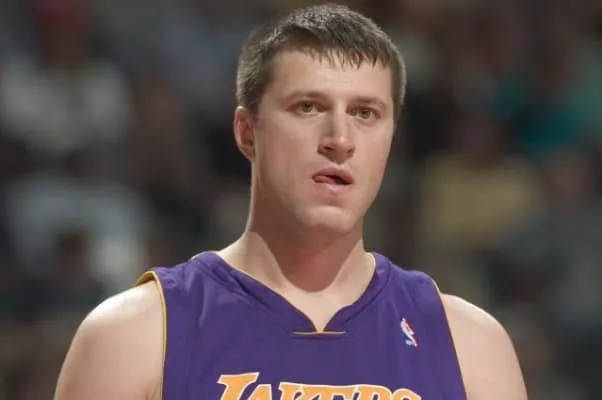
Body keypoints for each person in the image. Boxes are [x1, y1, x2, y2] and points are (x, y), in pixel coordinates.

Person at [54, 4, 527, 399]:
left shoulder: (471, 347)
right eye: (308, 107)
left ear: (391, 140)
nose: (340, 138)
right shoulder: (135, 335)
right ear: (247, 132)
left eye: (365, 113)